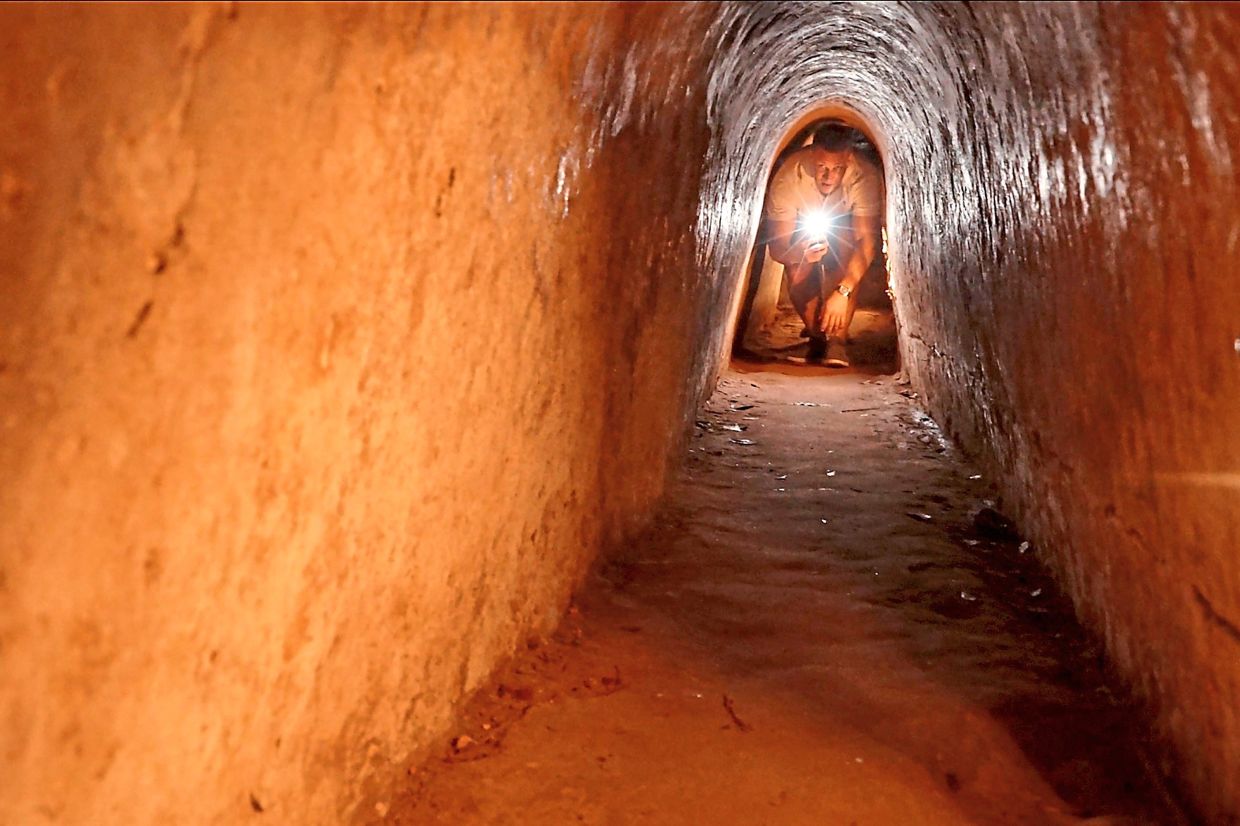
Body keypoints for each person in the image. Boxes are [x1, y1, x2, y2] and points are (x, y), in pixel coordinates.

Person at [764, 123, 884, 367]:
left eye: (837, 168)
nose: (829, 177)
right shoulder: (790, 177)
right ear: (811, 154)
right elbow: (778, 247)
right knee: (797, 269)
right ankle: (817, 336)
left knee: (849, 250)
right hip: (804, 221)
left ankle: (837, 341)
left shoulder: (864, 176)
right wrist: (802, 254)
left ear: (848, 160)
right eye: (821, 167)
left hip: (844, 220)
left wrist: (843, 291)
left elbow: (867, 242)